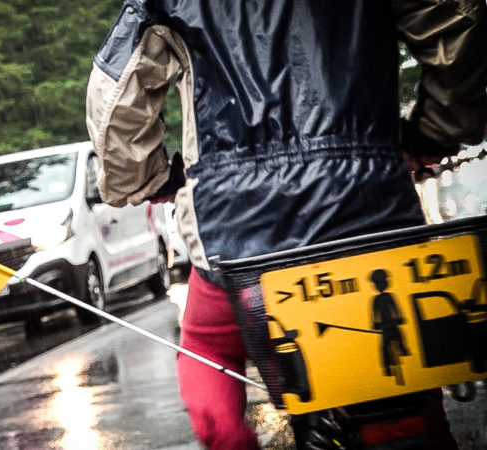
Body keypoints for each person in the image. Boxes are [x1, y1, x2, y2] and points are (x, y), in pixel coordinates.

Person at [85, 1, 487, 449]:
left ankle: (230, 442)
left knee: (208, 346)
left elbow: (115, 96)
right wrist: (435, 131)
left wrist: (145, 178)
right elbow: (459, 24)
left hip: (235, 222)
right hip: (367, 202)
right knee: (404, 385)